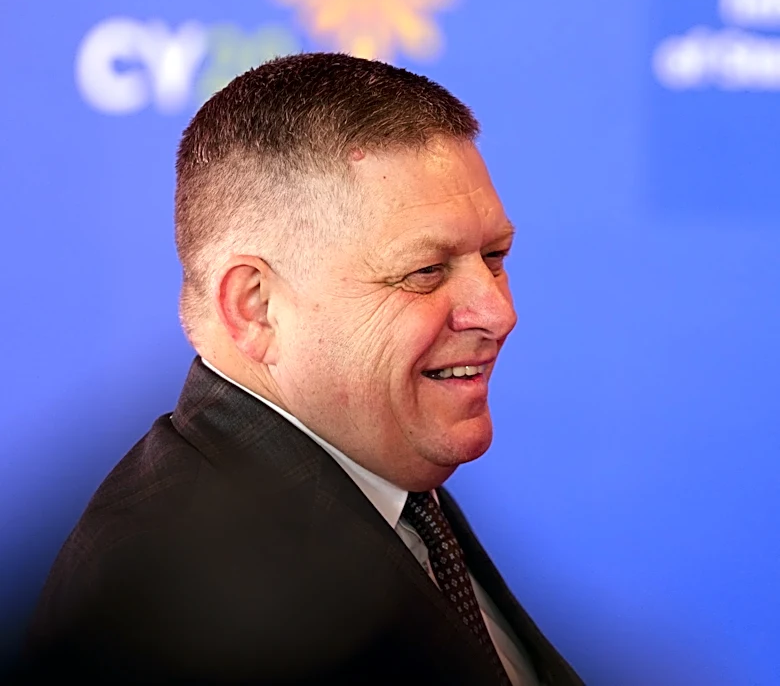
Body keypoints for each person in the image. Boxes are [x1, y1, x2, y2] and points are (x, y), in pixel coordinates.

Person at [20, 53, 584, 685]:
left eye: (494, 256)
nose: (498, 312)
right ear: (256, 307)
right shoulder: (171, 601)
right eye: (426, 271)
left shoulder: (381, 488)